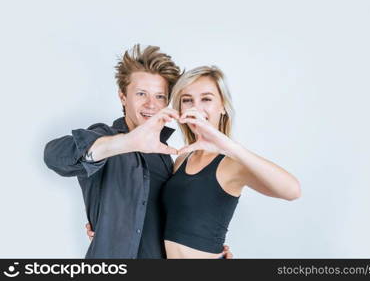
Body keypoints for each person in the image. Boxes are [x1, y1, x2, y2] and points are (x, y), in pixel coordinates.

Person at [44, 44, 233, 259]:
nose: (151, 105)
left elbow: (174, 218)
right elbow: (53, 156)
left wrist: (208, 252)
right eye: (141, 93)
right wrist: (125, 143)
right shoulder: (104, 139)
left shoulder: (166, 156)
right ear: (123, 97)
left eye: (160, 96)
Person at [161, 66, 301, 258]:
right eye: (187, 100)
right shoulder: (182, 159)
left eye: (206, 99)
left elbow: (292, 191)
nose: (195, 107)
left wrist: (228, 146)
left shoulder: (232, 163)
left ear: (223, 107)